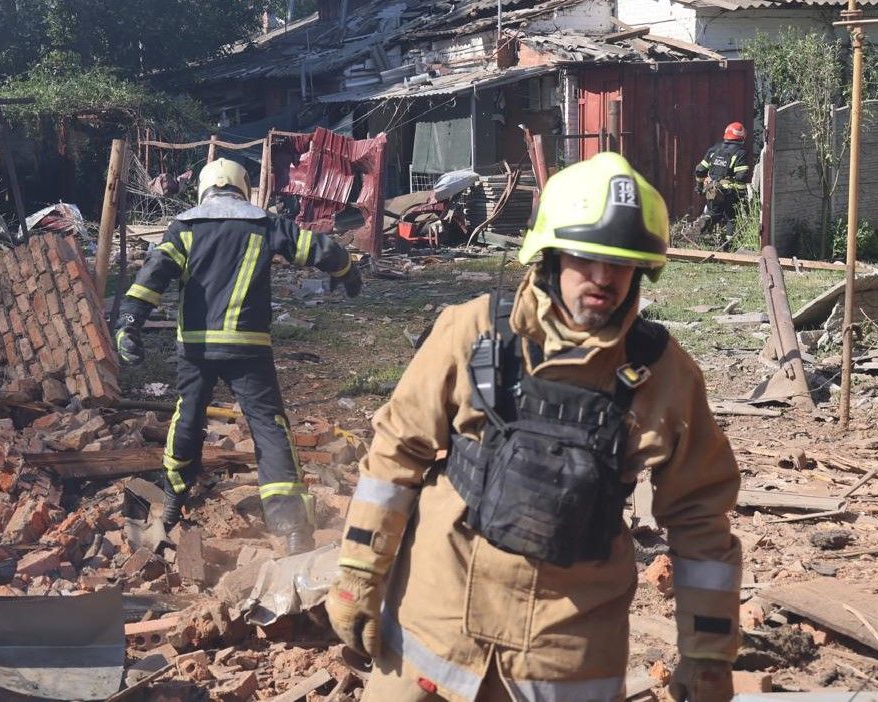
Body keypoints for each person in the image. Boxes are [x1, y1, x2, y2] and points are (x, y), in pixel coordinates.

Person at [325, 152, 742, 701]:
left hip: (566, 652)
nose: (602, 278)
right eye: (585, 257)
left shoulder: (664, 376)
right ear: (548, 255)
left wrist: (707, 651)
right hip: (436, 628)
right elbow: (394, 458)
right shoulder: (470, 331)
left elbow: (700, 517)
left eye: (621, 263)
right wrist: (358, 573)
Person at [115, 158, 363, 554]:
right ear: (243, 188)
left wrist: (129, 323)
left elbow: (153, 275)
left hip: (196, 349)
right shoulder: (264, 224)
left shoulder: (185, 229)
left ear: (204, 188)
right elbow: (319, 249)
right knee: (269, 427)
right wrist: (348, 271)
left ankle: (173, 505)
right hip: (249, 347)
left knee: (188, 418)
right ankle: (293, 529)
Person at [694, 122, 752, 245]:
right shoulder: (740, 152)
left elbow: (700, 170)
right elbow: (741, 176)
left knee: (712, 213)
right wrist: (742, 194)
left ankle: (703, 226)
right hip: (729, 192)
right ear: (742, 137)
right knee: (731, 218)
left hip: (712, 190)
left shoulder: (714, 149)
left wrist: (699, 187)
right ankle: (728, 245)